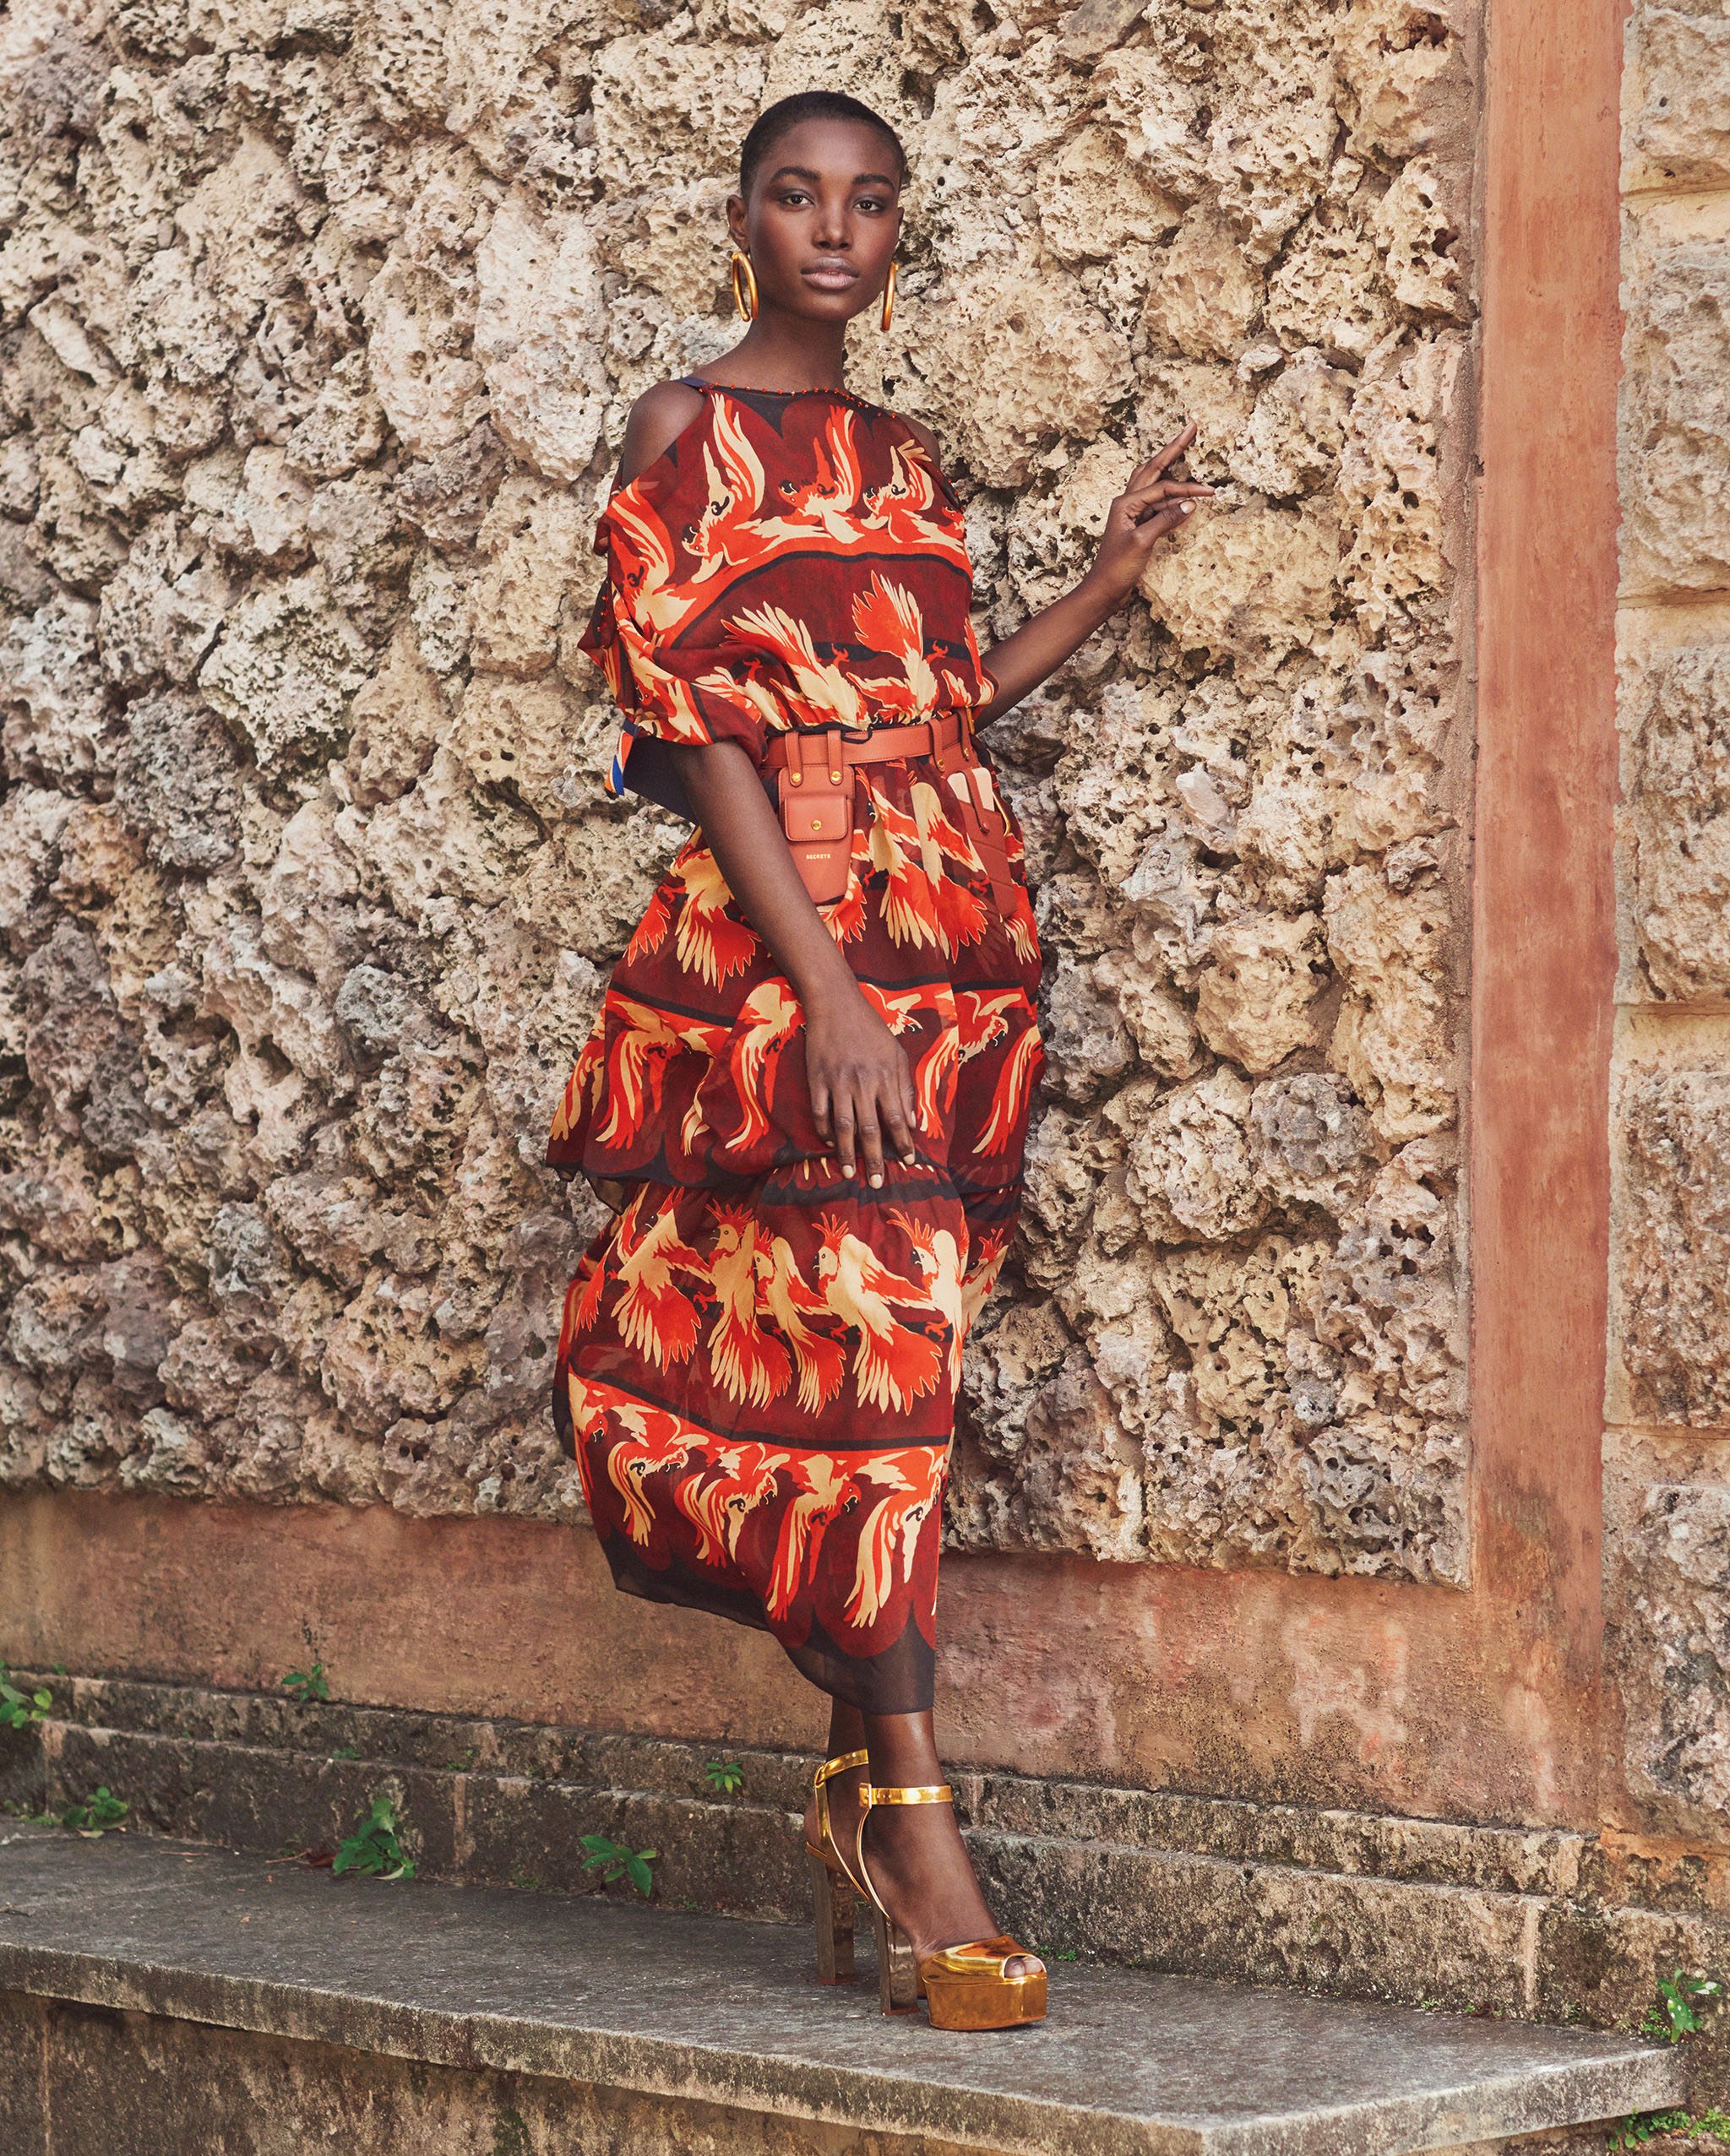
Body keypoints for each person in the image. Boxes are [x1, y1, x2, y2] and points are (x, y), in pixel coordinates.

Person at [544, 88, 1212, 2031]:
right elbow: (693, 738)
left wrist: (1098, 578)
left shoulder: (905, 457)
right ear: (741, 217)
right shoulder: (688, 430)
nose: (834, 228)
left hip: (958, 961)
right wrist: (827, 993)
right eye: (795, 194)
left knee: (885, 1383)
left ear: (895, 232)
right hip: (802, 969)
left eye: (868, 202)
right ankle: (913, 1823)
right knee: (868, 1387)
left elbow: (936, 702)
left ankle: (863, 1784)